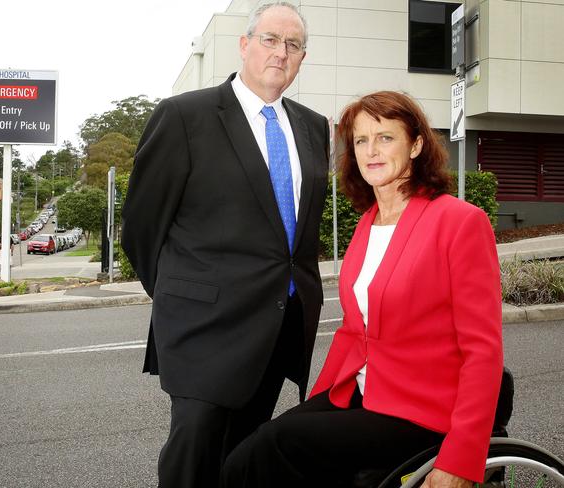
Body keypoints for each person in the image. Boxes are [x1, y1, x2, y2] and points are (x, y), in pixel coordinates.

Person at [222, 91, 504, 488]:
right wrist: (317, 405)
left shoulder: (460, 222)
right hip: (363, 392)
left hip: (424, 410)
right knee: (244, 456)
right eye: (360, 140)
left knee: (274, 448)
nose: (371, 150)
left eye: (386, 137)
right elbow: (353, 333)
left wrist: (461, 458)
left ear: (417, 145)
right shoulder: (368, 224)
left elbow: (483, 350)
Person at [121, 3, 329, 488]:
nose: (281, 52)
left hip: (278, 328)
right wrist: (184, 294)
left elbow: (297, 236)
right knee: (194, 458)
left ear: (302, 58)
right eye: (270, 39)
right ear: (244, 44)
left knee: (242, 461)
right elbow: (141, 226)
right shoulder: (184, 116)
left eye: (293, 45)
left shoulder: (314, 127)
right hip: (204, 330)